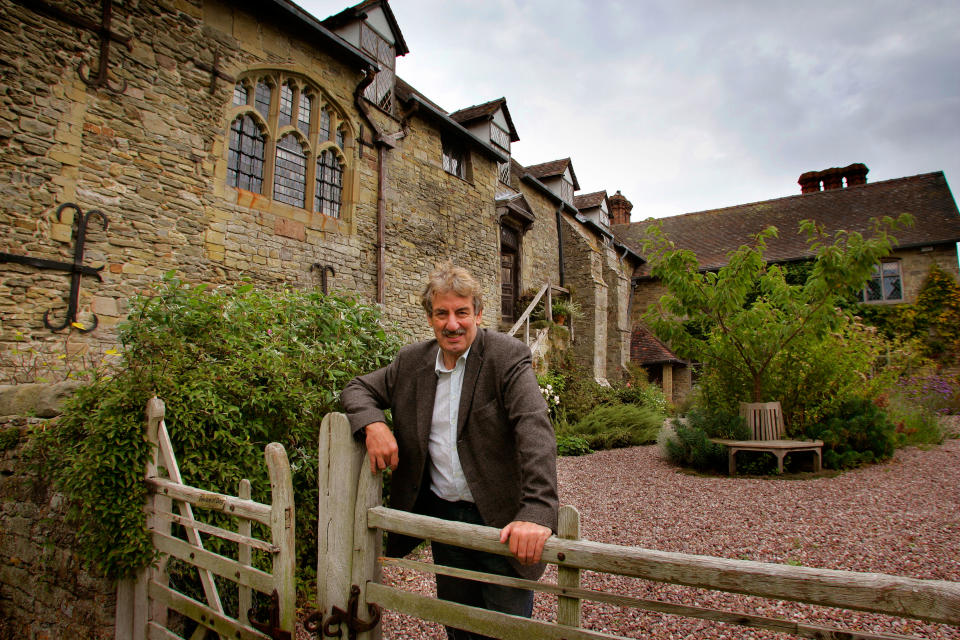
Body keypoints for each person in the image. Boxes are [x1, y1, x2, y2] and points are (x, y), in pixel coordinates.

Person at [342, 262, 558, 639]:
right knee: (459, 627)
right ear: (430, 318)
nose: (452, 324)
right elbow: (357, 389)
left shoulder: (506, 356)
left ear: (478, 313)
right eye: (442, 313)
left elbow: (534, 430)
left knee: (508, 631)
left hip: (502, 525)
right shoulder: (412, 362)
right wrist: (374, 425)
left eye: (461, 312)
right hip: (444, 521)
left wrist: (537, 513)